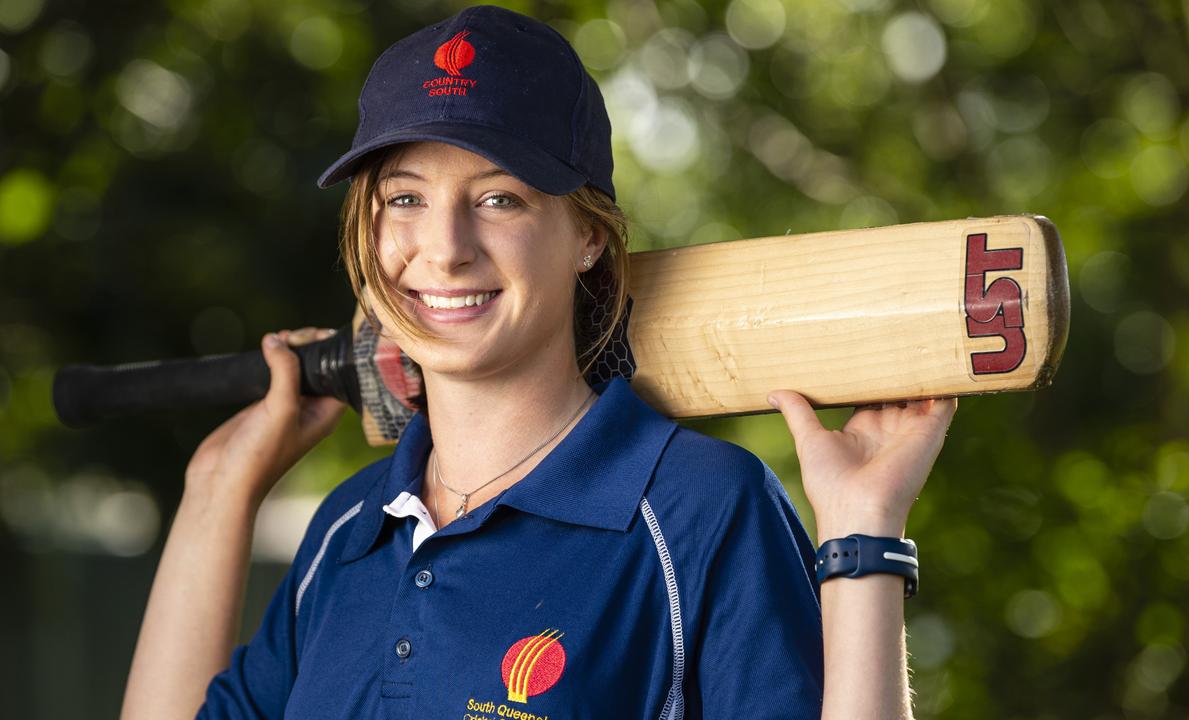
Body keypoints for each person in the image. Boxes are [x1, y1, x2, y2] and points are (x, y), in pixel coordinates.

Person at [120, 5, 956, 719]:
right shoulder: (348, 531)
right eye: (405, 198)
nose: (443, 250)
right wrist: (218, 486)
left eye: (499, 199)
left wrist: (861, 536)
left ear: (589, 236)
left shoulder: (701, 512)